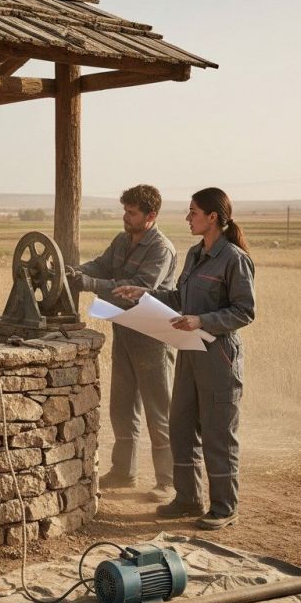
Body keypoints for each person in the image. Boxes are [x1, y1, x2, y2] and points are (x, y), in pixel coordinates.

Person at [114, 188, 255, 530]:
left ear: (212, 217)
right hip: (189, 351)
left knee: (218, 432)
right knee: (180, 426)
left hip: (218, 357)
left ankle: (224, 506)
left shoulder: (234, 258)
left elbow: (245, 311)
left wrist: (202, 320)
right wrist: (145, 294)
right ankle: (188, 499)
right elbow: (180, 296)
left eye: (193, 212)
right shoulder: (194, 255)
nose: (187, 218)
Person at [72, 184, 177, 501]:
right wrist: (77, 271)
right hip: (125, 331)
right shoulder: (122, 240)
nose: (126, 217)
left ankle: (168, 481)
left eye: (132, 213)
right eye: (125, 211)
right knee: (122, 405)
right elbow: (103, 264)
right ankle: (123, 472)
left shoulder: (161, 249)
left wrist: (89, 283)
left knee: (158, 410)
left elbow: (138, 289)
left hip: (153, 336)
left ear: (150, 216)